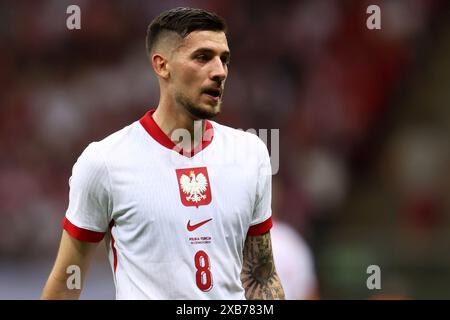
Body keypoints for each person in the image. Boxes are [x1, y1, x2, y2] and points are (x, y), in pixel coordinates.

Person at [41, 7, 285, 300]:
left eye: (224, 59)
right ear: (162, 66)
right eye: (203, 57)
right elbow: (67, 280)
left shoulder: (251, 154)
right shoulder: (104, 161)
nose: (219, 71)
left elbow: (262, 274)